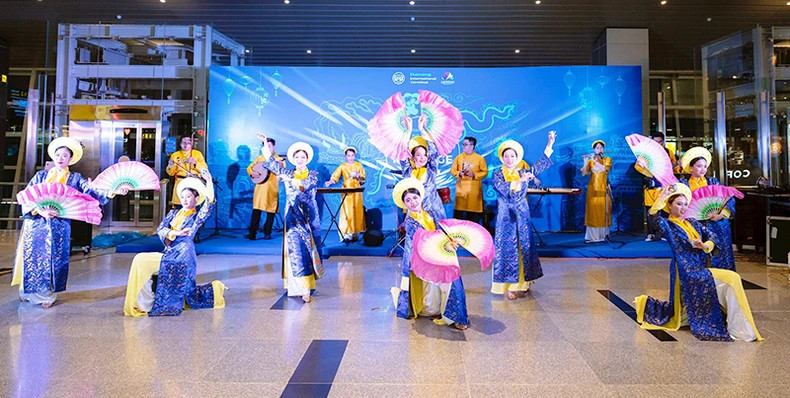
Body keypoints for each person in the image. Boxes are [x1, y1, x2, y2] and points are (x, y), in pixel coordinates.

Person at [635, 183, 761, 341]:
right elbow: (653, 218)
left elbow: (713, 237)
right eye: (679, 204)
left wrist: (705, 245)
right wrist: (662, 196)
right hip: (685, 270)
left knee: (733, 277)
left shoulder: (693, 222)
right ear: (669, 205)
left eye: (685, 204)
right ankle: (740, 329)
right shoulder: (668, 225)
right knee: (731, 278)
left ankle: (739, 327)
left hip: (700, 267)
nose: (683, 207)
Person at [12, 137, 117, 308]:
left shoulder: (75, 179)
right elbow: (27, 197)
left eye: (65, 156)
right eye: (58, 155)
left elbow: (94, 192)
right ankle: (28, 291)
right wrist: (40, 210)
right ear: (53, 157)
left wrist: (113, 190)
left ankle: (46, 296)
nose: (60, 158)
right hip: (36, 223)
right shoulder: (41, 176)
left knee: (53, 258)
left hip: (59, 225)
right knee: (32, 258)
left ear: (70, 159)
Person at [124, 169, 227, 316]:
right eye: (183, 197)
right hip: (170, 252)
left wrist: (209, 182)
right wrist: (174, 233)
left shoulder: (196, 216)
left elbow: (209, 205)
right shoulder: (173, 213)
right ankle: (144, 302)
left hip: (183, 256)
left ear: (196, 199)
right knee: (139, 260)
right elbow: (160, 229)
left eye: (189, 197)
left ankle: (146, 303)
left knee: (141, 260)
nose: (185, 200)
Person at [389, 178, 469, 330]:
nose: (412, 202)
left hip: (441, 252)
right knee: (430, 290)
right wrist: (445, 243)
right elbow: (424, 239)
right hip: (422, 257)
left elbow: (443, 228)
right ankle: (435, 311)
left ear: (420, 197)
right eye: (408, 200)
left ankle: (457, 317)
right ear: (404, 204)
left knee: (453, 281)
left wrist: (452, 239)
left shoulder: (431, 212)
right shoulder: (410, 222)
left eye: (415, 197)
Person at [257, 133, 323, 303]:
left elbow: (306, 186)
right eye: (297, 157)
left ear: (308, 158)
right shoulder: (287, 171)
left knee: (309, 250)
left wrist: (290, 180)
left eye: (303, 157)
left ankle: (308, 285)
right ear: (293, 159)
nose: (300, 159)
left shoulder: (313, 174)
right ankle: (300, 287)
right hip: (292, 216)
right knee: (295, 250)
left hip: (309, 217)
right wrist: (265, 145)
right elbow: (271, 164)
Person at [491, 131, 556, 300]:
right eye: (506, 156)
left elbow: (541, 165)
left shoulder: (524, 171)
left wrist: (549, 144)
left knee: (524, 248)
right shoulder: (497, 174)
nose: (510, 159)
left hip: (522, 215)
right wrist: (520, 181)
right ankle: (509, 287)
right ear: (502, 157)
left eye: (513, 156)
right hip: (506, 217)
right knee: (508, 250)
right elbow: (502, 188)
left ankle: (524, 283)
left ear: (517, 157)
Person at [678, 146, 737, 271]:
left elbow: (728, 198)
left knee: (720, 248)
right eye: (699, 166)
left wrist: (722, 214)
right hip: (693, 223)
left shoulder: (712, 181)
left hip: (715, 222)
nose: (703, 169)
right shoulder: (684, 184)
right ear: (691, 167)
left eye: (705, 166)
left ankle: (722, 278)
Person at [635, 131, 681, 241]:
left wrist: (679, 165)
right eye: (655, 142)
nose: (657, 144)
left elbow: (675, 169)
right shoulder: (646, 153)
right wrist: (640, 164)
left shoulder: (668, 152)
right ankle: (651, 233)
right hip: (651, 187)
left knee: (665, 210)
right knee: (651, 211)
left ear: (663, 141)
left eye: (659, 142)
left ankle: (665, 233)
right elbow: (638, 168)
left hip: (664, 186)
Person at [246, 138, 285, 240]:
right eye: (265, 147)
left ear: (274, 147)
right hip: (259, 188)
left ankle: (267, 233)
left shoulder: (278, 159)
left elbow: (281, 170)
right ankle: (252, 234)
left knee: (270, 212)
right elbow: (250, 168)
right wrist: (252, 173)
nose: (268, 148)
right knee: (256, 211)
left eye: (270, 146)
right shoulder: (259, 158)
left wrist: (278, 164)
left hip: (271, 188)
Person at [325, 147, 366, 242]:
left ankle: (356, 233)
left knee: (357, 211)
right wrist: (330, 182)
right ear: (345, 156)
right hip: (347, 191)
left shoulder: (358, 165)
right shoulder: (342, 166)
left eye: (352, 155)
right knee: (347, 212)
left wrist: (359, 176)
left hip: (357, 191)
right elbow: (335, 176)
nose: (351, 157)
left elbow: (362, 180)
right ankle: (346, 234)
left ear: (355, 156)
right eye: (349, 155)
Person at [400, 136, 447, 219]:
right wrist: (407, 132)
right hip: (415, 211)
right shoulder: (408, 171)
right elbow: (403, 154)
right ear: (412, 157)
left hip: (433, 211)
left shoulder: (431, 169)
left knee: (436, 231)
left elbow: (434, 153)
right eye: (418, 155)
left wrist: (423, 131)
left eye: (425, 155)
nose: (422, 158)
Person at [580, 140, 612, 243]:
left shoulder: (607, 159)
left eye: (601, 148)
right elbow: (584, 174)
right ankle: (592, 237)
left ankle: (604, 235)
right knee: (593, 211)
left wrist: (594, 160)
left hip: (603, 189)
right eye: (597, 148)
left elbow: (604, 170)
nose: (599, 149)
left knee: (603, 211)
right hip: (593, 189)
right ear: (594, 149)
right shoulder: (590, 161)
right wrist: (585, 162)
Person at [450, 137, 488, 224]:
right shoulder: (458, 158)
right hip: (461, 192)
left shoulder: (480, 159)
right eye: (463, 144)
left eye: (465, 144)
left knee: (473, 220)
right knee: (458, 219)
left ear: (472, 146)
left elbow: (485, 172)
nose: (463, 146)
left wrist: (474, 174)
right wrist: (459, 173)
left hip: (473, 193)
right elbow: (452, 171)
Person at [166, 135, 207, 207]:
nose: (186, 144)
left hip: (193, 183)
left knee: (193, 206)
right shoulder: (175, 155)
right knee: (180, 206)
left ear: (192, 144)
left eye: (188, 142)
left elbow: (204, 169)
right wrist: (170, 165)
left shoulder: (197, 154)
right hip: (180, 182)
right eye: (184, 142)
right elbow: (171, 173)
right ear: (180, 144)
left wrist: (195, 163)